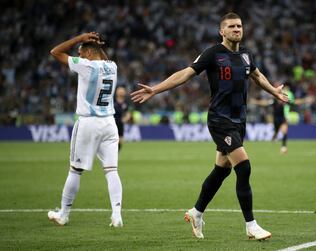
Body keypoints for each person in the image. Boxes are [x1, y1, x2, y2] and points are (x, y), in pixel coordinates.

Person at [131, 13, 288, 240]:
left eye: (239, 26)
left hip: (239, 120)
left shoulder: (246, 54)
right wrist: (156, 89)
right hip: (219, 119)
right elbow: (185, 74)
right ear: (221, 31)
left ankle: (196, 212)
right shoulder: (213, 54)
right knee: (243, 167)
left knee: (222, 170)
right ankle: (251, 226)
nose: (237, 29)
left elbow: (256, 75)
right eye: (232, 26)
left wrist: (274, 91)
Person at [47, 32, 123, 227]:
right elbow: (103, 58)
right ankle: (116, 214)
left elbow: (55, 52)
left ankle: (63, 214)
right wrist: (96, 47)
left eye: (81, 53)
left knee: (75, 171)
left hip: (88, 123)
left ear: (88, 53)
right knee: (112, 170)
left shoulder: (86, 65)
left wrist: (80, 38)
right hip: (109, 123)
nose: (78, 57)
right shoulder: (112, 67)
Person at [251, 84, 313, 154]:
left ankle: (283, 147)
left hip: (282, 119)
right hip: (276, 120)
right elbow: (265, 103)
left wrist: (305, 100)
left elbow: (295, 102)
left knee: (284, 132)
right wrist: (256, 102)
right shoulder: (274, 101)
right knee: (276, 132)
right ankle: (274, 138)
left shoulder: (284, 101)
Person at [114, 85, 131, 152]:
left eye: (122, 91)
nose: (121, 92)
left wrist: (125, 119)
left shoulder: (126, 102)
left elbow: (128, 113)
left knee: (120, 141)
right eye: (119, 91)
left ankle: (116, 152)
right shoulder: (112, 100)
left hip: (120, 123)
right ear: (116, 92)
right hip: (111, 122)